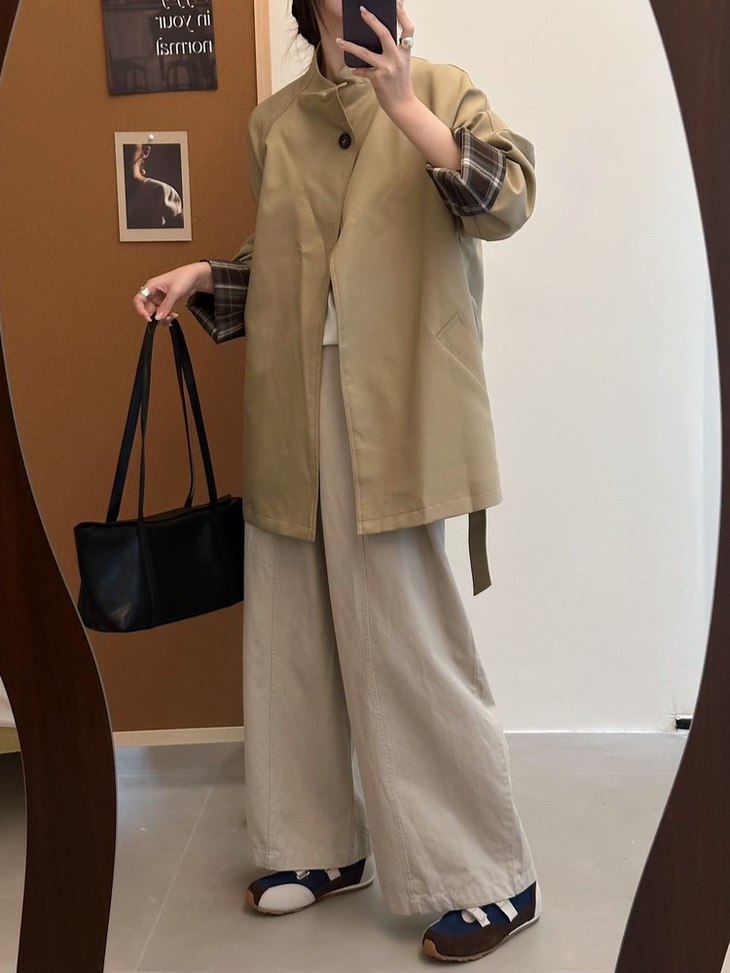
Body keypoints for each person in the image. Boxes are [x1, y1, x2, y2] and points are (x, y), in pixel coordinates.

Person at [132, 0, 540, 963]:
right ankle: (316, 845)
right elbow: (280, 271)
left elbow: (508, 201)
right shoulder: (274, 124)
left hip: (394, 402)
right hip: (291, 403)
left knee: (404, 633)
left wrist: (406, 110)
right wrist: (205, 276)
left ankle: (487, 874)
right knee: (290, 629)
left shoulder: (441, 91)